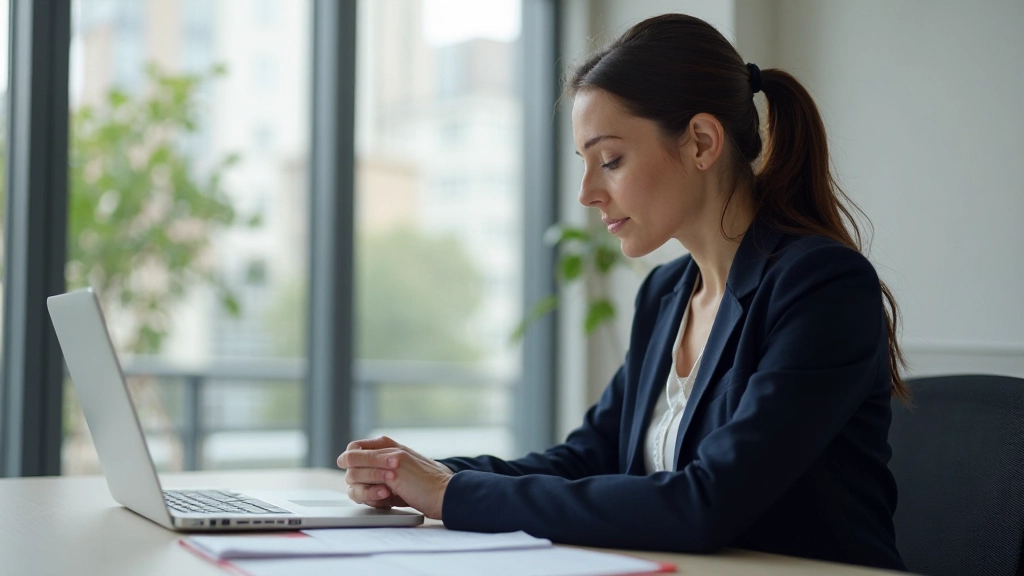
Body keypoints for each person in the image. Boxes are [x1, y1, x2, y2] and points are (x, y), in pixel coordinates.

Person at [337, 13, 908, 571]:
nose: (587, 193)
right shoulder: (665, 294)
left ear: (702, 143)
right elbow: (589, 458)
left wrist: (451, 494)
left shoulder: (822, 287)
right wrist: (424, 474)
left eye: (610, 159)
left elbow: (704, 503)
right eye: (585, 164)